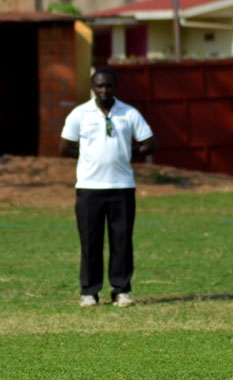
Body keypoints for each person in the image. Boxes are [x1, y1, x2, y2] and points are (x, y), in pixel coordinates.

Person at [59, 66, 157, 307]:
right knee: (90, 241)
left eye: (108, 86)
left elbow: (150, 143)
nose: (104, 90)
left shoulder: (129, 113)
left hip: (122, 187)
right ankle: (89, 292)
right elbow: (64, 147)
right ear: (93, 87)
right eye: (99, 86)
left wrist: (129, 153)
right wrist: (88, 155)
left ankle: (121, 290)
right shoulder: (80, 114)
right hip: (89, 188)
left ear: (115, 87)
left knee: (122, 241)